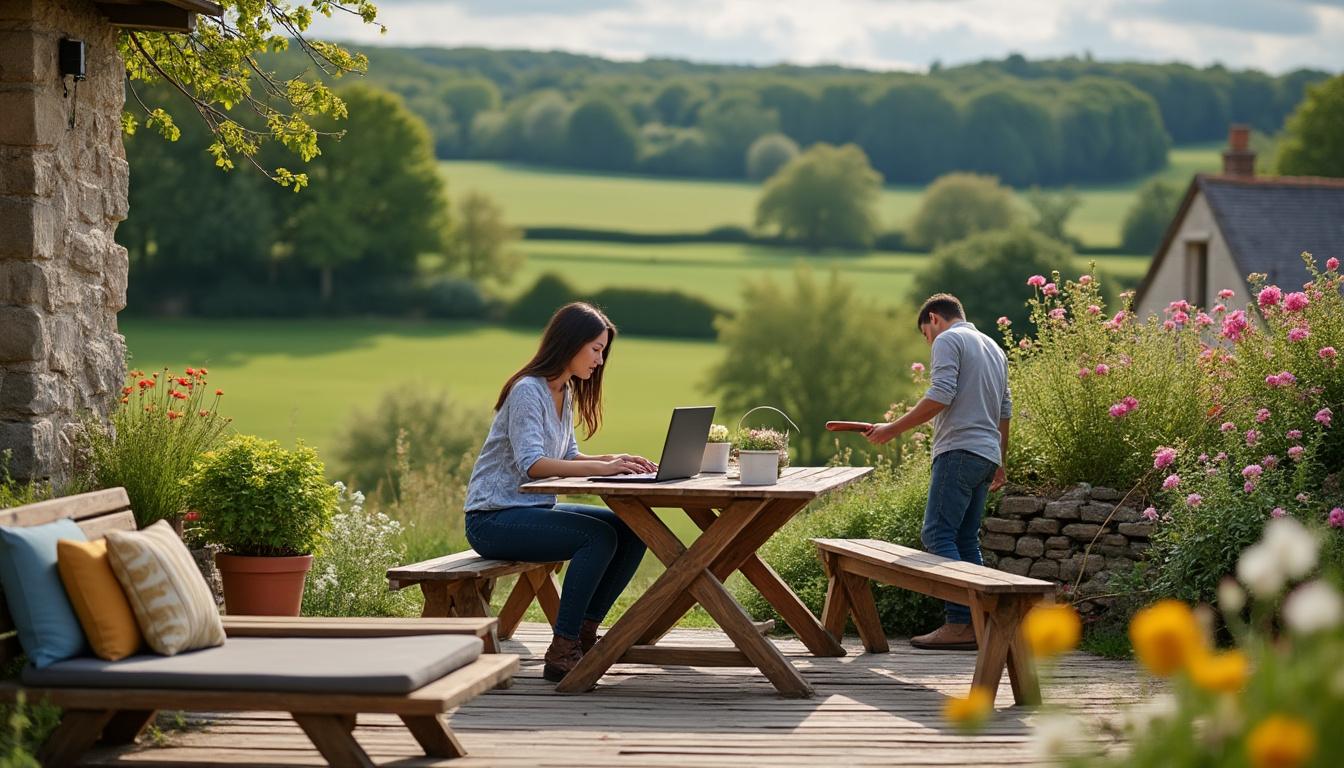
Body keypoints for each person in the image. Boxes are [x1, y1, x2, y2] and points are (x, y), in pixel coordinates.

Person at [463, 302, 655, 682]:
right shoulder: (527, 391)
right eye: (596, 349)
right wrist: (603, 470)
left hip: (532, 511)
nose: (600, 360)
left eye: (603, 351)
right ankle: (563, 648)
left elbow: (567, 456)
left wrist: (613, 459)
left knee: (633, 529)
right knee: (597, 536)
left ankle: (582, 634)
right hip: (492, 519)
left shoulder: (563, 391)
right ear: (570, 343)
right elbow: (533, 464)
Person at [864, 293, 1011, 650]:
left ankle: (960, 622)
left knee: (937, 534)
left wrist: (892, 429)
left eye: (925, 335)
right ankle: (979, 623)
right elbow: (1004, 409)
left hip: (958, 451)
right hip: (986, 455)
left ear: (934, 318)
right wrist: (1000, 459)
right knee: (965, 539)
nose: (929, 342)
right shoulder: (994, 347)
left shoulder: (948, 339)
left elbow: (941, 394)